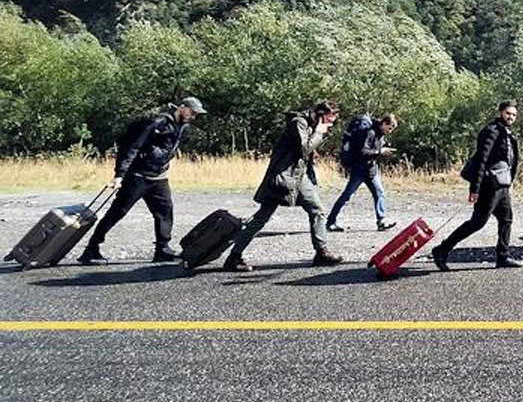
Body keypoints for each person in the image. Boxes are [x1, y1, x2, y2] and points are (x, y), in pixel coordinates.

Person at [79, 97, 207, 265]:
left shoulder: (181, 126)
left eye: (196, 114)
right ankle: (91, 249)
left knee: (165, 212)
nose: (193, 116)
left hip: (158, 177)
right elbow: (132, 147)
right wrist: (119, 175)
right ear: (182, 108)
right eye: (192, 112)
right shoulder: (158, 122)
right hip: (137, 176)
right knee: (118, 212)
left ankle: (162, 250)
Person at [223, 100, 344, 272]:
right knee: (261, 218)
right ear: (320, 115)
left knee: (317, 210)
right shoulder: (298, 123)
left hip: (298, 178)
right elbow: (303, 149)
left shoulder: (308, 124)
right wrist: (319, 133)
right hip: (282, 179)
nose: (330, 124)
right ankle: (234, 257)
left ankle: (321, 252)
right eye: (329, 120)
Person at [431, 100, 523, 271]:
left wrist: (510, 182)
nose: (510, 117)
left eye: (513, 115)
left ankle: (503, 256)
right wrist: (475, 189)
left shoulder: (507, 133)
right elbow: (481, 161)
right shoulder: (491, 131)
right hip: (489, 186)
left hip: (502, 186)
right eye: (508, 113)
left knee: (506, 219)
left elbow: (510, 161)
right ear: (499, 113)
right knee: (477, 222)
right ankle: (441, 250)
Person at [326, 113, 398, 232]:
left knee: (379, 193)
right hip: (359, 170)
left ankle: (382, 220)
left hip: (371, 170)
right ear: (384, 123)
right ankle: (330, 221)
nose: (390, 131)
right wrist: (379, 152)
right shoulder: (370, 132)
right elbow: (363, 152)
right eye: (389, 128)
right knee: (346, 196)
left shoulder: (380, 134)